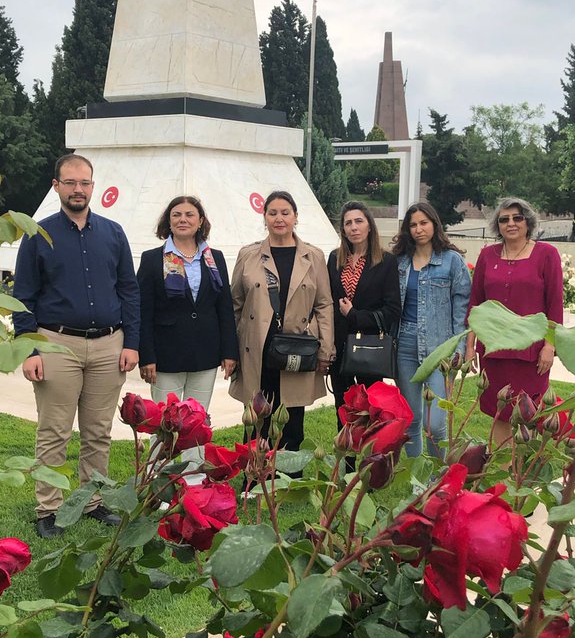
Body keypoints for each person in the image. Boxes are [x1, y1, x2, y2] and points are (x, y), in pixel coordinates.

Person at [13, 153, 140, 538]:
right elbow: (23, 297)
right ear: (57, 186)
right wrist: (29, 350)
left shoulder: (113, 233)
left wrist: (131, 342)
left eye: (84, 182)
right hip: (56, 344)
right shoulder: (38, 235)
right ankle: (48, 507)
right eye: (70, 183)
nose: (78, 189)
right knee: (55, 431)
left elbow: (128, 290)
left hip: (107, 346)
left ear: (92, 186)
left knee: (99, 431)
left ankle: (92, 501)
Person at [230, 190, 334, 450]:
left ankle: (289, 478)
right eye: (272, 213)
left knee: (291, 419)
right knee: (256, 417)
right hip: (257, 347)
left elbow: (324, 304)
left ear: (295, 217)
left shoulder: (314, 256)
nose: (279, 218)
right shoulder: (248, 255)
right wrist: (229, 352)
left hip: (297, 346)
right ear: (264, 217)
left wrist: (326, 350)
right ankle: (253, 480)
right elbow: (235, 304)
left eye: (285, 213)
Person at [464, 196, 564, 445]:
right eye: (504, 219)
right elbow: (476, 303)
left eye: (517, 218)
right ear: (497, 226)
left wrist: (550, 346)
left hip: (530, 351)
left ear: (527, 222)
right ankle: (503, 471)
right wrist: (469, 346)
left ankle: (529, 466)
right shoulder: (487, 256)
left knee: (531, 411)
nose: (511, 223)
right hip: (494, 349)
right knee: (501, 412)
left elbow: (554, 305)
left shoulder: (546, 254)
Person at [136, 194, 238, 412]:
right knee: (164, 422)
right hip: (166, 356)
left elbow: (224, 308)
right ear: (169, 221)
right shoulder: (152, 259)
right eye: (176, 215)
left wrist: (229, 351)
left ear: (200, 221)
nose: (183, 219)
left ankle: (194, 450)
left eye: (189, 214)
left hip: (206, 353)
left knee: (197, 421)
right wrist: (147, 356)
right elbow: (143, 311)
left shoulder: (214, 259)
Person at [391, 200, 472, 458]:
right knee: (412, 419)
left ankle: (437, 478)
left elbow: (463, 308)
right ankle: (416, 478)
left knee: (435, 424)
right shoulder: (399, 262)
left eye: (423, 223)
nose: (418, 229)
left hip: (441, 348)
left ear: (434, 224)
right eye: (413, 224)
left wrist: (460, 347)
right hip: (404, 345)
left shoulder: (452, 262)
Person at [327, 201, 401, 420]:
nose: (354, 227)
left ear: (370, 225)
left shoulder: (386, 261)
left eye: (359, 221)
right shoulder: (334, 259)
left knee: (371, 409)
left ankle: (371, 453)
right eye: (348, 223)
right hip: (339, 347)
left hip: (371, 348)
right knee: (343, 408)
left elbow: (392, 310)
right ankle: (346, 454)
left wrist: (355, 316)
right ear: (343, 229)